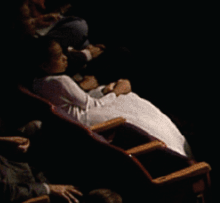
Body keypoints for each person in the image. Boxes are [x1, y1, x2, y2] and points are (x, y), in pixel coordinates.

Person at [28, 38, 190, 154]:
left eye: (64, 53)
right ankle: (176, 145)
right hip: (85, 121)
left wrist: (106, 91)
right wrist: (116, 92)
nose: (65, 58)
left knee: (124, 96)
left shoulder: (37, 82)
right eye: (58, 56)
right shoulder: (61, 80)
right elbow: (91, 106)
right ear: (44, 65)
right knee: (135, 106)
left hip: (76, 118)